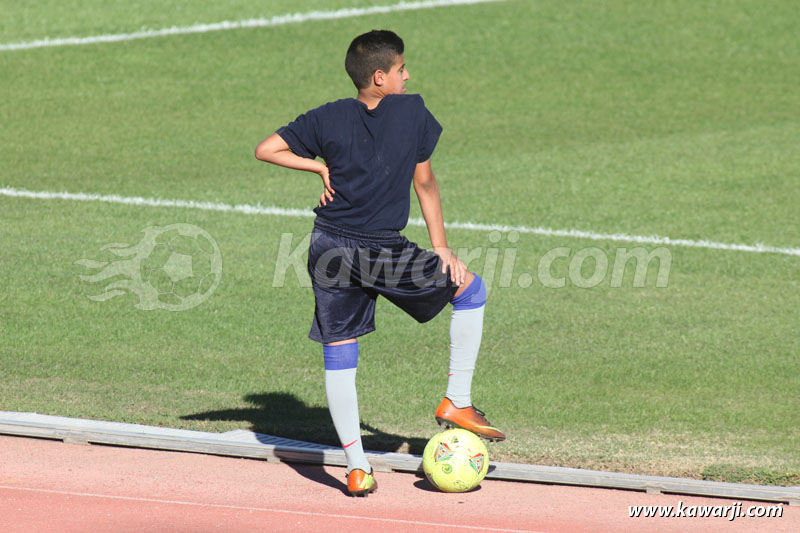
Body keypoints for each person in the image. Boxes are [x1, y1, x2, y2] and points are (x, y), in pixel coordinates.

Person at [255, 29, 504, 497]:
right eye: (401, 69)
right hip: (378, 249)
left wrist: (318, 166)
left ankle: (356, 468)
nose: (407, 76)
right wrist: (441, 246)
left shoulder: (326, 116)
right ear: (379, 77)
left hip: (327, 245)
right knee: (471, 290)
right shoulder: (412, 112)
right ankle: (457, 401)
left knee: (339, 351)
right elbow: (425, 183)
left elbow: (266, 149)